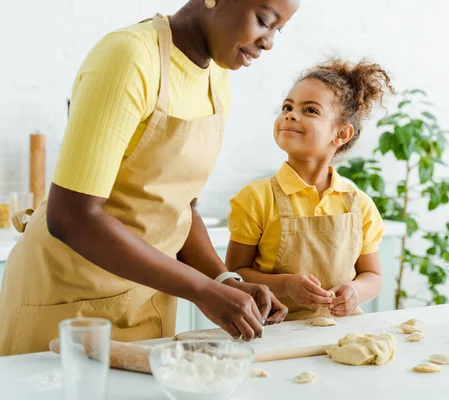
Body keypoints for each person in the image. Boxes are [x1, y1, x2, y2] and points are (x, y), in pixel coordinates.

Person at [0, 0, 300, 356]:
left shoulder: (217, 78)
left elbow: (179, 208)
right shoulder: (129, 57)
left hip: (147, 302)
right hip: (67, 298)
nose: (269, 42)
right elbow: (72, 216)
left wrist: (225, 281)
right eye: (264, 21)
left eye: (278, 30)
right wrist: (200, 290)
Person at [226, 59, 393, 320]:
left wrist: (355, 290)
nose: (290, 115)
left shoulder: (359, 203)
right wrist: (286, 285)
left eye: (311, 110)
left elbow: (372, 277)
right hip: (274, 332)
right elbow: (235, 274)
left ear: (341, 134)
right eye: (287, 107)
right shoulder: (256, 198)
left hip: (342, 331)